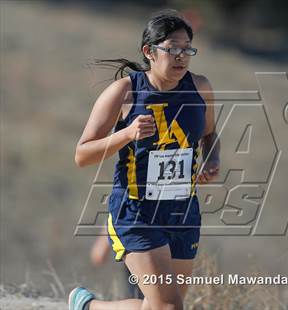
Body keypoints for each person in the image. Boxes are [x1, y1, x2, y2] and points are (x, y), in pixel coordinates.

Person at [69, 9, 220, 310]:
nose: (181, 56)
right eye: (172, 49)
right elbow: (82, 154)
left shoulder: (199, 88)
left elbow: (210, 134)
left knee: (159, 307)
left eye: (187, 49)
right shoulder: (125, 92)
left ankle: (88, 307)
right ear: (149, 52)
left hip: (182, 212)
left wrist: (211, 159)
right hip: (136, 211)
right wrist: (126, 135)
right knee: (169, 306)